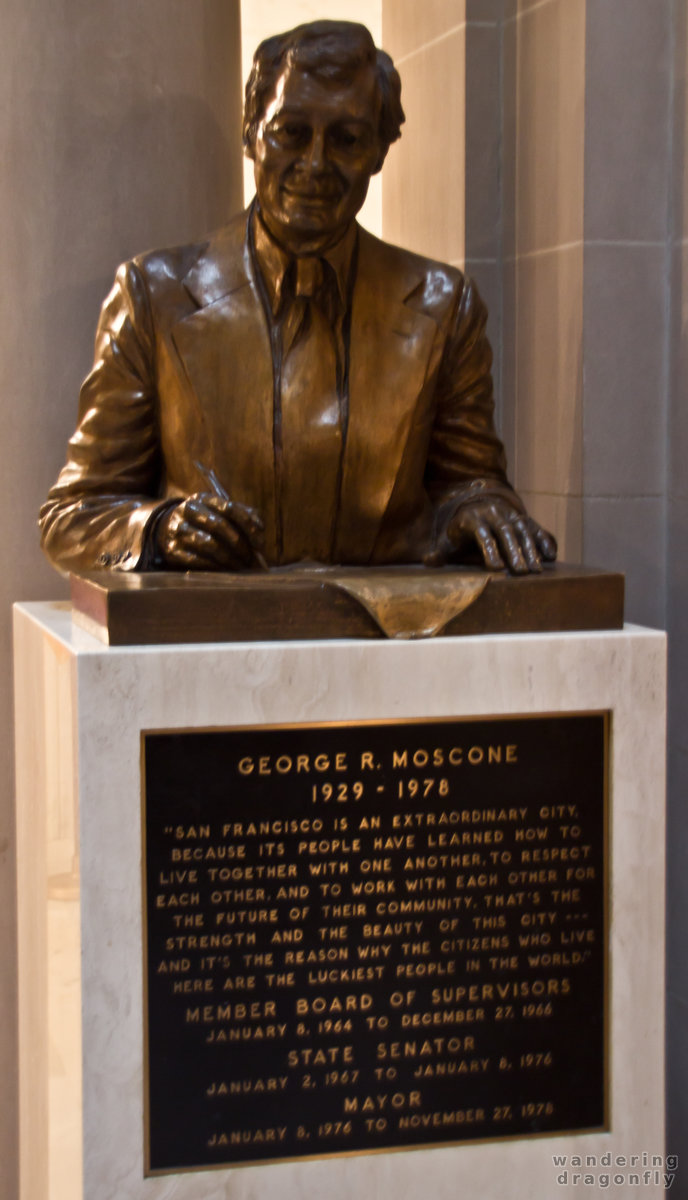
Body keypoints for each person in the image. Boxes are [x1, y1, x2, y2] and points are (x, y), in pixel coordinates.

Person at [39, 20, 556, 576]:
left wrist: (479, 508)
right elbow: (73, 515)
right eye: (290, 132)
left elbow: (469, 483)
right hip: (214, 645)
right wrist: (160, 528)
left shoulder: (442, 307)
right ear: (250, 132)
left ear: (380, 151)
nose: (314, 164)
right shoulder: (153, 295)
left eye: (347, 139)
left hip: (389, 644)